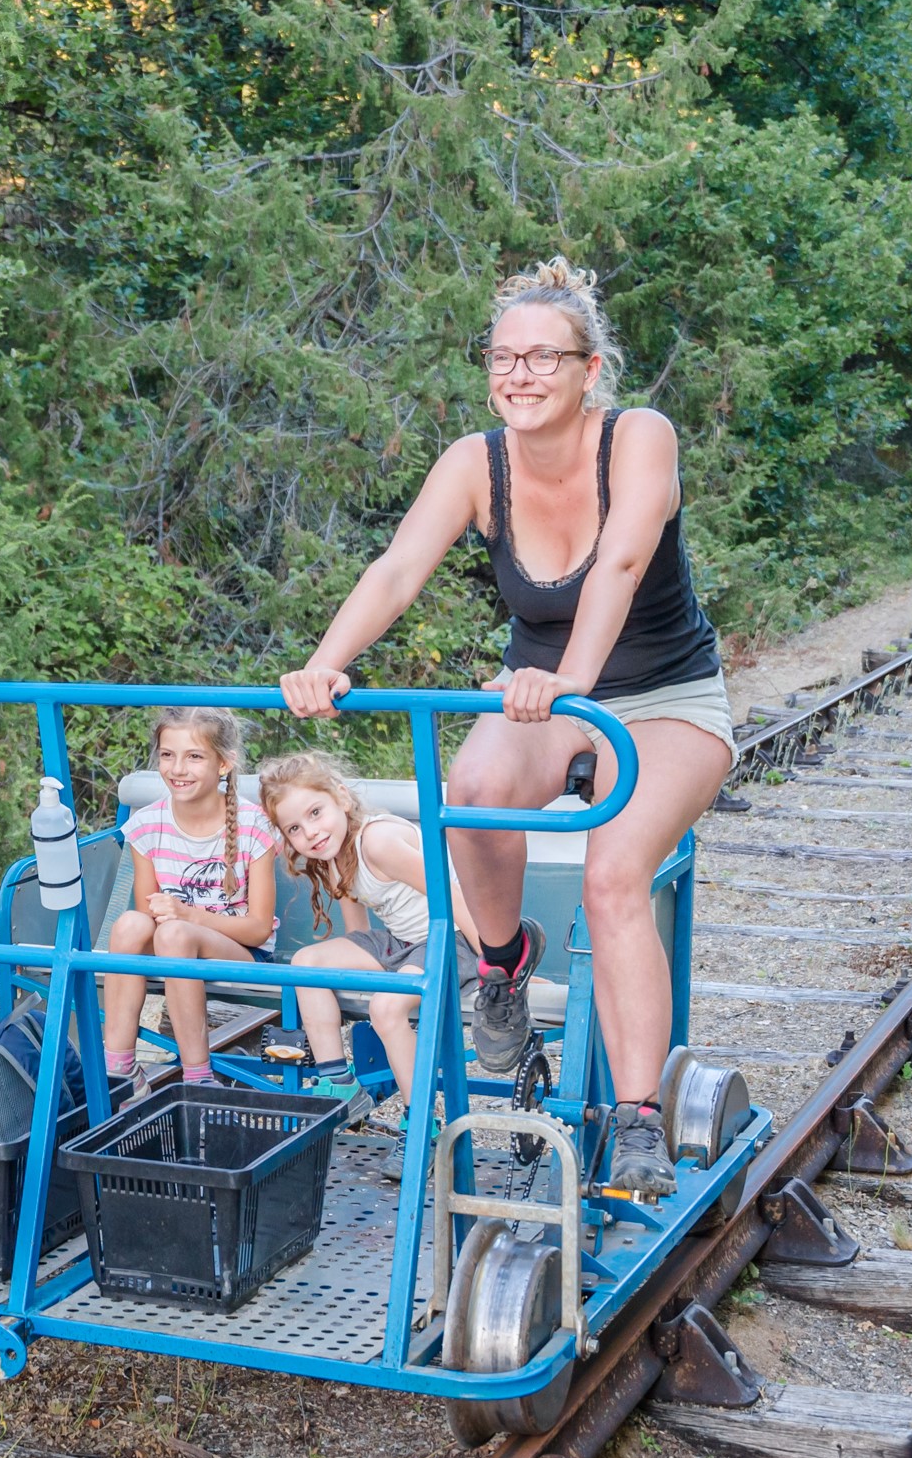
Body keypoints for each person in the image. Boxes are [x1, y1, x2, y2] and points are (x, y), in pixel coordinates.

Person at [278, 258, 733, 1102]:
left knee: (610, 879)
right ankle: (502, 961)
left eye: (542, 357)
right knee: (475, 792)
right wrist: (324, 662)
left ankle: (637, 1113)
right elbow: (396, 570)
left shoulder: (639, 436)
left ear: (588, 369)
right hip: (544, 690)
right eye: (502, 357)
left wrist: (570, 682)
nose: (519, 374)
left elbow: (623, 560)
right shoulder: (473, 463)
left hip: (663, 695)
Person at [96, 708, 280, 1099]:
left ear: (224, 763)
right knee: (129, 925)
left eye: (194, 756)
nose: (177, 768)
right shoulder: (147, 826)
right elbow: (149, 915)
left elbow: (259, 928)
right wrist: (173, 920)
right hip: (174, 946)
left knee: (176, 933)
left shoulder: (254, 825)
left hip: (242, 954)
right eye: (167, 754)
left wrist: (189, 916)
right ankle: (120, 1068)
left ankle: (198, 1077)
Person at [258, 752, 427, 1106]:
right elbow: (358, 937)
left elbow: (455, 899)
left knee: (385, 1008)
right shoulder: (335, 859)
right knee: (306, 963)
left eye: (315, 813)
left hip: (447, 941)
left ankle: (422, 1122)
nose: (311, 832)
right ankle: (338, 1082)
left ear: (342, 797)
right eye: (295, 829)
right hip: (401, 945)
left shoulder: (377, 841)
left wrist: (499, 962)